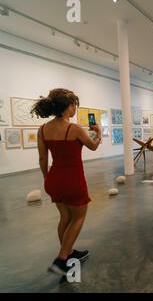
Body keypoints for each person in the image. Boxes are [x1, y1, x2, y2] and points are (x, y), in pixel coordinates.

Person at [31, 88, 102, 276]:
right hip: (73, 179)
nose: (75, 110)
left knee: (65, 217)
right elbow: (93, 147)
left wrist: (48, 179)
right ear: (68, 107)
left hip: (53, 179)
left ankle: (69, 252)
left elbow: (42, 159)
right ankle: (62, 259)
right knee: (78, 217)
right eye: (74, 106)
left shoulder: (43, 129)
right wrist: (99, 133)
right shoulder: (74, 128)